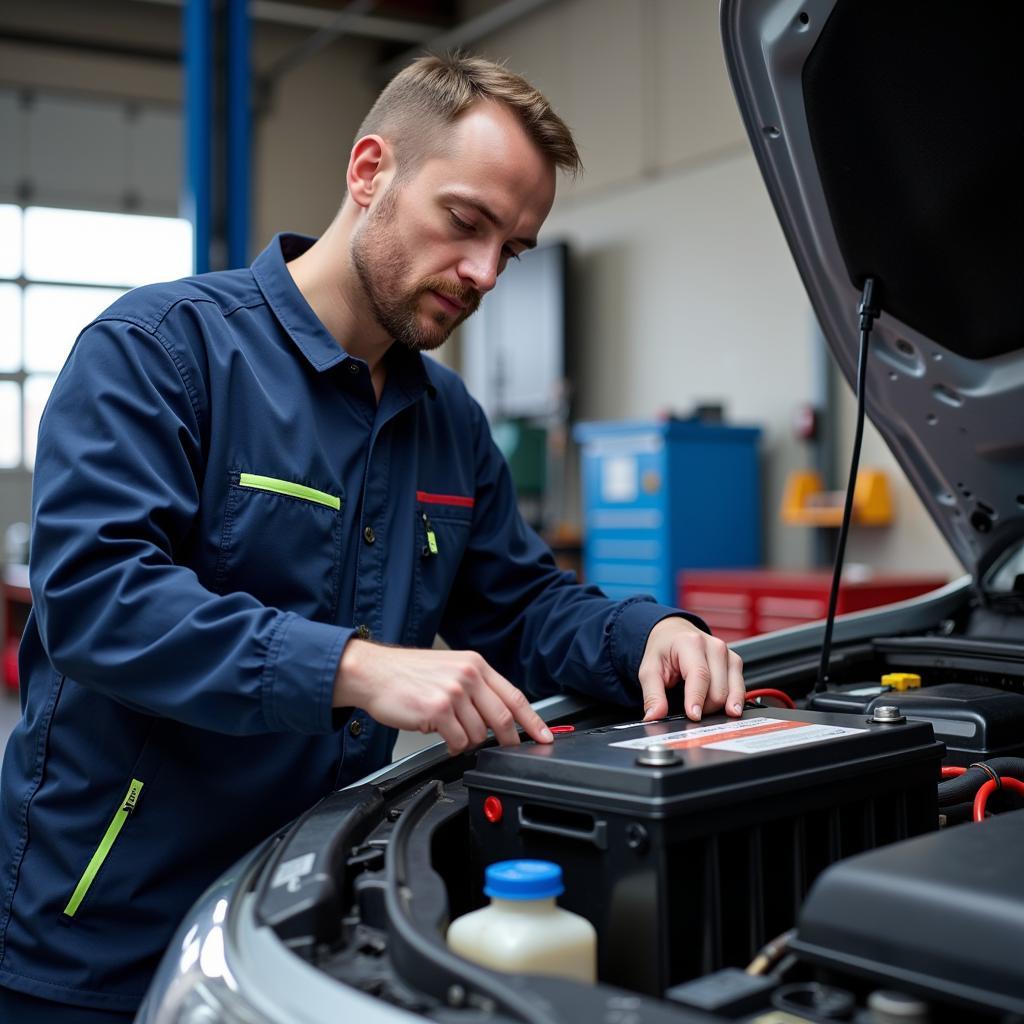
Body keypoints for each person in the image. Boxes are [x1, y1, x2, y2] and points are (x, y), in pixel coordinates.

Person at [0, 53, 745, 1020]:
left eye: (511, 251)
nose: (482, 274)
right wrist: (358, 666)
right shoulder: (161, 351)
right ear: (369, 172)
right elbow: (101, 599)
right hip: (102, 936)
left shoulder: (449, 421)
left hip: (305, 910)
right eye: (466, 223)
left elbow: (519, 603)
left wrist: (647, 633)